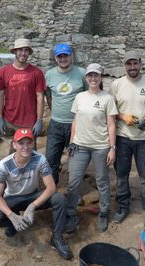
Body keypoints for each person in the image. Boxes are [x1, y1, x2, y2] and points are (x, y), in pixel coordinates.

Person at [0, 128, 72, 260]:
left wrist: (32, 206)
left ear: (33, 144)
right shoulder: (4, 165)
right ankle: (12, 223)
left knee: (59, 198)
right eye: (21, 143)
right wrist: (11, 216)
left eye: (29, 143)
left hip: (32, 196)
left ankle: (57, 237)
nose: (25, 147)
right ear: (14, 145)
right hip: (12, 200)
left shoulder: (40, 159)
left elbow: (51, 187)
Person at [0, 38, 46, 181]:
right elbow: (0, 95)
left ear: (29, 52)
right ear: (15, 51)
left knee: (19, 156)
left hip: (28, 123)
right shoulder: (5, 71)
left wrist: (39, 120)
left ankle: (13, 181)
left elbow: (40, 96)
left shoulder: (36, 73)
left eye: (26, 50)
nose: (23, 53)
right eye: (20, 50)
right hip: (8, 119)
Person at [65, 63, 118, 233]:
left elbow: (111, 125)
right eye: (90, 75)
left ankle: (103, 211)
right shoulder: (80, 97)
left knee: (102, 180)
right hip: (79, 145)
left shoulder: (107, 98)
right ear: (86, 78)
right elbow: (75, 121)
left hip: (100, 146)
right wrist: (72, 141)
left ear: (101, 77)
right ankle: (71, 213)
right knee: (73, 180)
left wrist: (112, 148)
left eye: (96, 75)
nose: (93, 78)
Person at [109, 51, 145, 227]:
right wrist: (123, 117)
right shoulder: (116, 84)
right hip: (122, 137)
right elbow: (111, 110)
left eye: (135, 63)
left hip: (144, 138)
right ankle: (123, 207)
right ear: (124, 65)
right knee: (122, 176)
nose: (132, 67)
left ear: (140, 63)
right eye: (129, 64)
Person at [45, 43, 87, 185]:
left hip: (76, 124)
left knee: (75, 161)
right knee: (51, 160)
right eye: (60, 56)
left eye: (66, 55)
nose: (63, 59)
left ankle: (74, 191)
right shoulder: (50, 75)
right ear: (56, 58)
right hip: (56, 124)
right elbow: (48, 96)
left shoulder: (81, 73)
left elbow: (89, 94)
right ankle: (51, 191)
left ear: (71, 56)